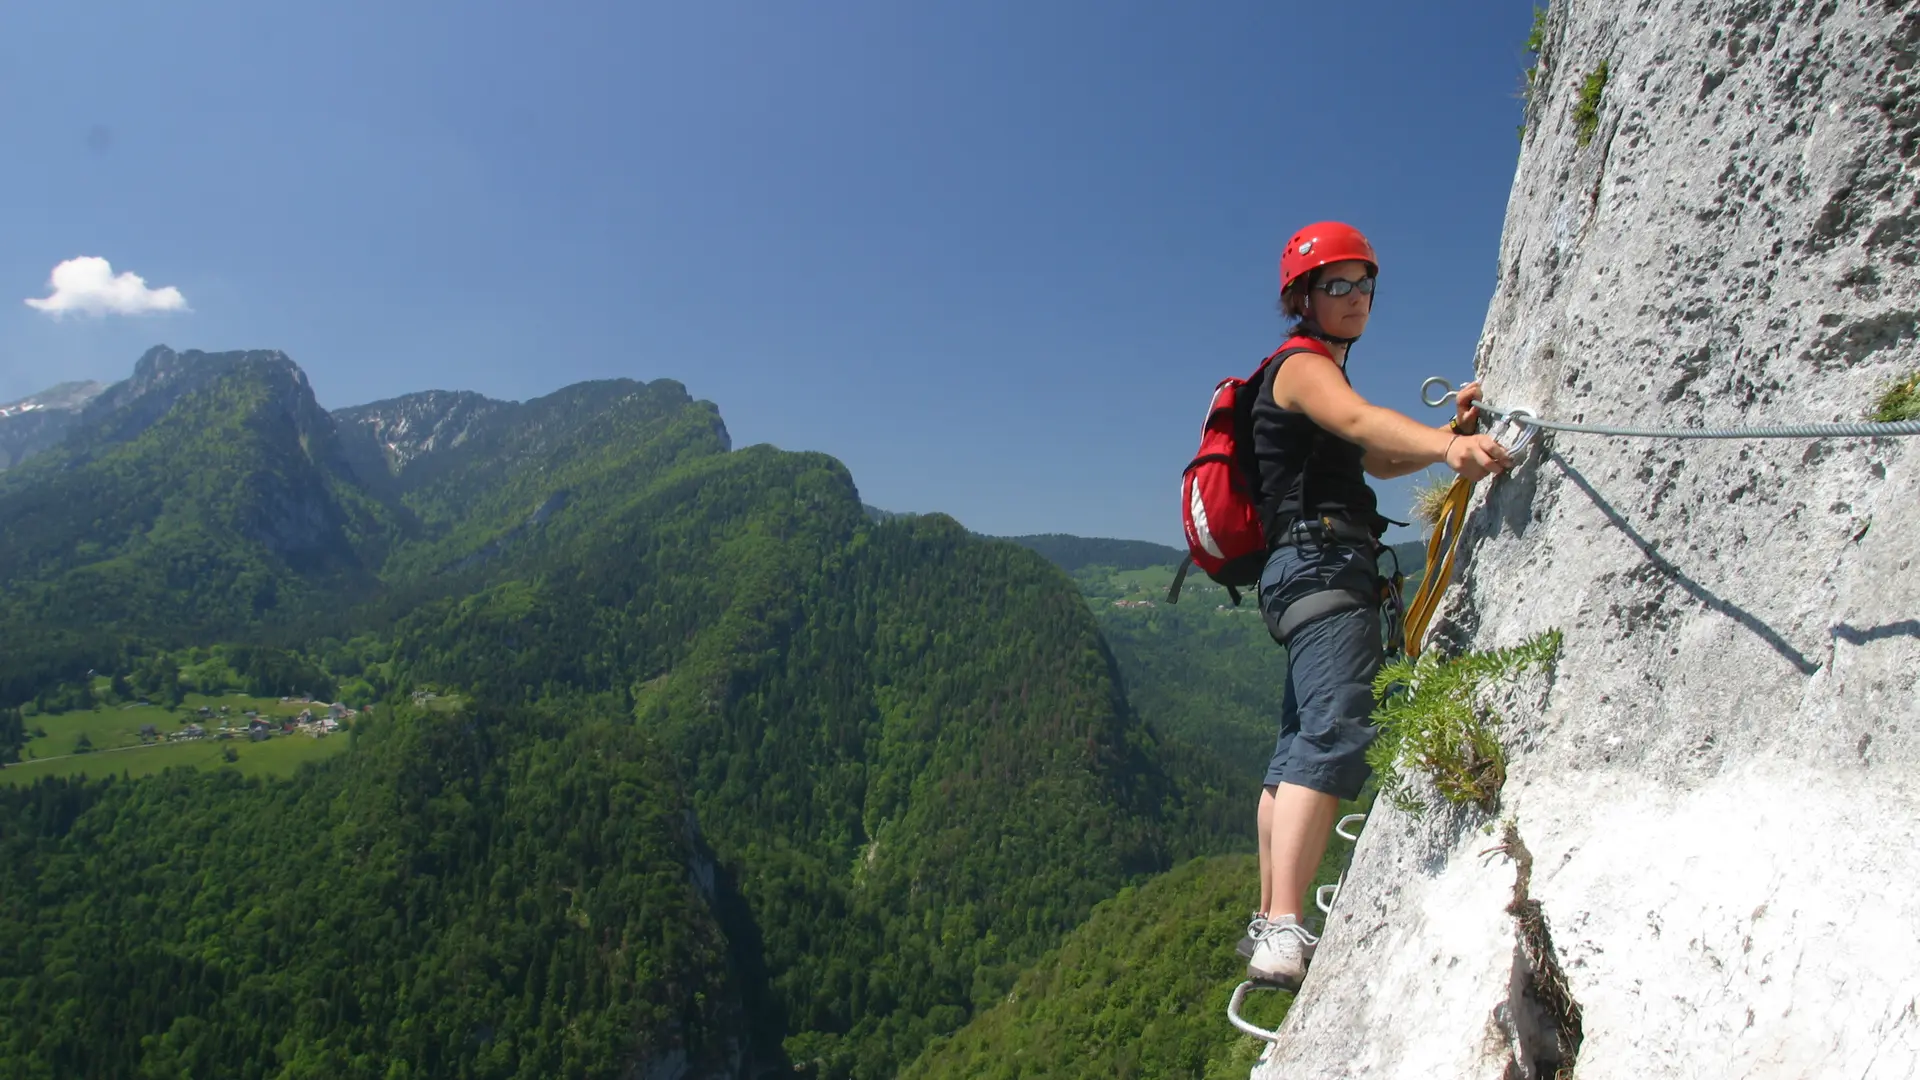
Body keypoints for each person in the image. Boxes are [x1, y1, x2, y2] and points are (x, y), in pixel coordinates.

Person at [1239, 221, 1513, 988]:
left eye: (1365, 283)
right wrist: (1450, 451)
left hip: (1302, 567)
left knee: (1297, 748)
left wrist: (1444, 435)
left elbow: (1379, 455)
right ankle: (1284, 928)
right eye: (1338, 284)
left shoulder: (1318, 376)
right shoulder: (1302, 368)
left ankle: (1271, 915)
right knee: (1333, 735)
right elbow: (1363, 427)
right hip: (1323, 563)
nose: (1356, 297)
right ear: (1303, 297)